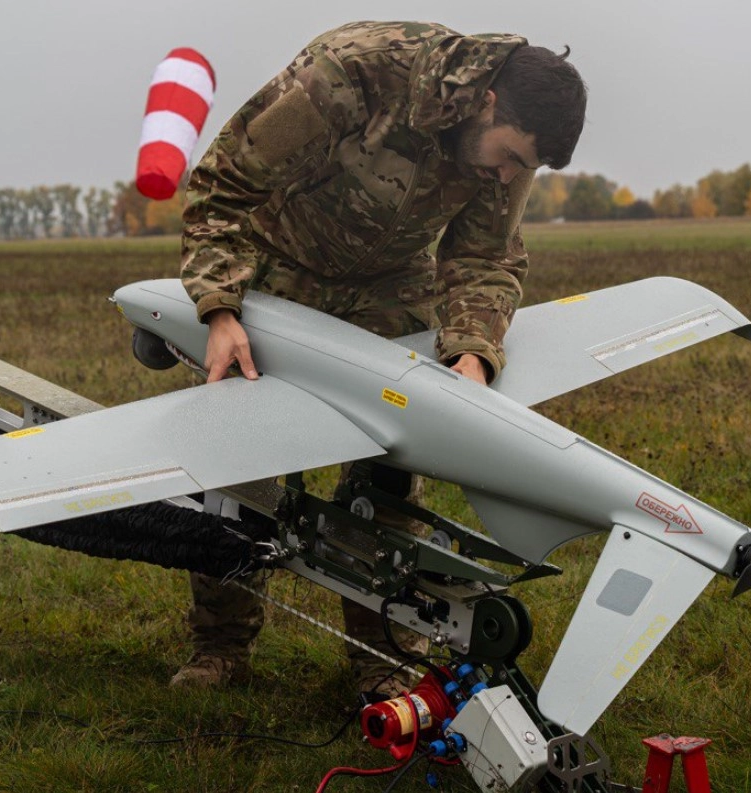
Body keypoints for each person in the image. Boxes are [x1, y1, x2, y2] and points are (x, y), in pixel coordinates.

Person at [172, 20, 587, 698]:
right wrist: (220, 307)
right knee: (240, 469)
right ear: (484, 101)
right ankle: (220, 648)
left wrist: (473, 353)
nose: (507, 175)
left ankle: (384, 657)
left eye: (523, 168)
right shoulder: (352, 73)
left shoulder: (506, 149)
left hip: (391, 287)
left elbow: (485, 257)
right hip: (278, 273)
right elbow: (224, 185)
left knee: (389, 476)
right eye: (509, 155)